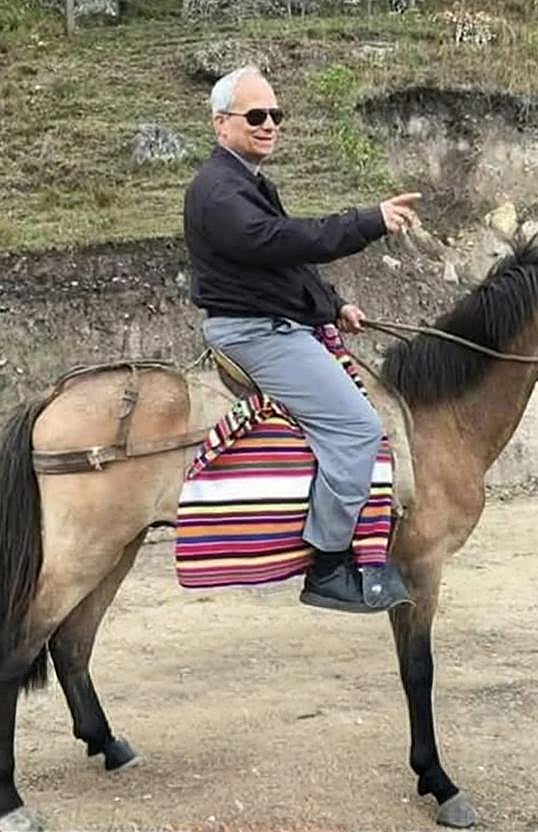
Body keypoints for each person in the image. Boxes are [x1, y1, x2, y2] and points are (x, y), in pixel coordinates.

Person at [183, 65, 420, 614]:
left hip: (273, 321)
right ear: (221, 124)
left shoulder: (245, 181)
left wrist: (334, 306)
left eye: (276, 115)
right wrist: (369, 220)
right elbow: (283, 240)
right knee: (359, 429)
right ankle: (330, 564)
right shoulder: (218, 191)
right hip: (256, 332)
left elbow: (284, 262)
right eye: (256, 116)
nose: (269, 125)